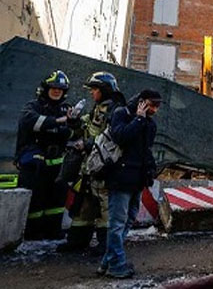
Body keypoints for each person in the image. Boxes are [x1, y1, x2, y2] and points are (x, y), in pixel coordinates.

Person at [59, 72, 126, 253]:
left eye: (94, 89)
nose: (91, 93)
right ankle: (77, 240)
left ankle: (106, 245)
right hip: (90, 165)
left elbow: (112, 139)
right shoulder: (98, 108)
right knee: (84, 204)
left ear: (104, 90)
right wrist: (73, 121)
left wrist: (87, 144)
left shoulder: (115, 111)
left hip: (104, 167)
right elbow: (86, 127)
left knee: (105, 206)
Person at [100, 89, 160, 279]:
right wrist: (139, 120)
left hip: (136, 180)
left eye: (157, 106)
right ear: (142, 103)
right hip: (120, 179)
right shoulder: (122, 114)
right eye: (152, 105)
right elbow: (121, 137)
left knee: (127, 221)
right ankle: (116, 265)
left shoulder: (149, 123)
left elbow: (145, 150)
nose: (155, 110)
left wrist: (149, 172)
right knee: (117, 224)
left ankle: (108, 262)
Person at [15, 70, 75, 240]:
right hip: (35, 166)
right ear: (45, 88)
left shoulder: (67, 109)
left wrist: (69, 126)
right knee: (35, 202)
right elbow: (29, 122)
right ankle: (32, 234)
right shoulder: (33, 106)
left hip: (58, 166)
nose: (57, 91)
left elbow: (72, 133)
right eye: (54, 87)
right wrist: (57, 122)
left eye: (61, 89)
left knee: (56, 202)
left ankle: (52, 232)